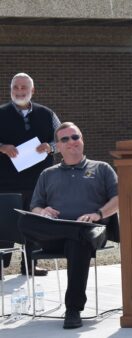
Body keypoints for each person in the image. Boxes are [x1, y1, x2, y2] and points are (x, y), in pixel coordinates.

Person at [18, 122, 118, 329]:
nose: (71, 142)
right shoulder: (48, 174)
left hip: (91, 231)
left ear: (82, 140)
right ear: (58, 146)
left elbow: (120, 198)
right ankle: (74, 230)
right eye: (65, 139)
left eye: (75, 137)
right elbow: (35, 206)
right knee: (25, 220)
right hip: (55, 235)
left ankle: (73, 310)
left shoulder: (102, 168)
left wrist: (97, 214)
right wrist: (43, 212)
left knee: (79, 240)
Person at [0, 72, 60, 277]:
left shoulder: (47, 114)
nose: (19, 91)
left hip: (38, 181)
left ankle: (30, 265)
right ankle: (0, 266)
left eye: (23, 87)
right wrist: (2, 147)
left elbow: (62, 140)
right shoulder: (1, 113)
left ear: (32, 90)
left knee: (35, 224)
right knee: (4, 224)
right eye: (15, 87)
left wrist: (50, 147)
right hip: (5, 183)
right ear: (11, 90)